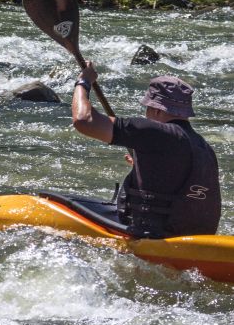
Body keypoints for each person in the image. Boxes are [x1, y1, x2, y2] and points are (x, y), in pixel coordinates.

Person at [71, 62, 220, 237]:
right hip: (193, 237)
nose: (146, 115)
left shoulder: (154, 132)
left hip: (154, 236)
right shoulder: (203, 147)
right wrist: (144, 164)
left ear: (156, 110)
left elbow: (83, 120)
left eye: (147, 109)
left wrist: (83, 82)